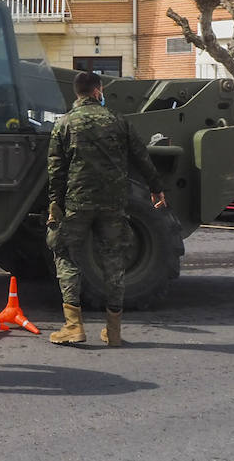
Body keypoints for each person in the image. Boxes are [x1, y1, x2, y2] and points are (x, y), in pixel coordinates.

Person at [46, 71, 166, 348]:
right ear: (98, 91)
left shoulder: (64, 124)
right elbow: (142, 157)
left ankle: (73, 327)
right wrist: (156, 188)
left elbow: (56, 170)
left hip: (76, 203)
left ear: (77, 93)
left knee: (65, 255)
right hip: (113, 203)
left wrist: (55, 205)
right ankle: (113, 331)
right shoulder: (118, 121)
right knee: (113, 260)